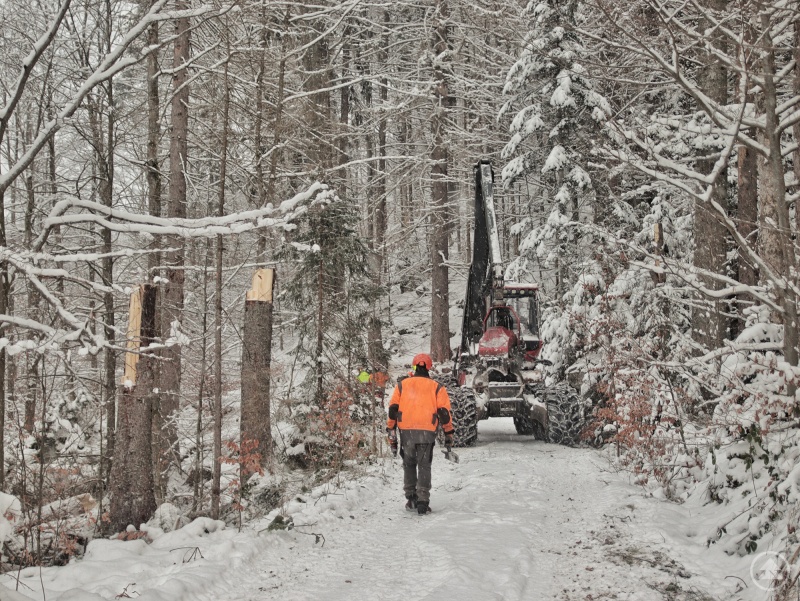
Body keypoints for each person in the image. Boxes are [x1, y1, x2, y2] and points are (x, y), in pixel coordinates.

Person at [386, 353, 455, 515]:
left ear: (414, 367)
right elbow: (444, 413)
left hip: (407, 431)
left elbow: (392, 410)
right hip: (427, 431)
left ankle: (411, 498)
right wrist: (448, 433)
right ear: (429, 368)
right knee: (424, 465)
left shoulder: (402, 385)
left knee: (409, 463)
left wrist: (391, 429)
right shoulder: (437, 387)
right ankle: (423, 501)